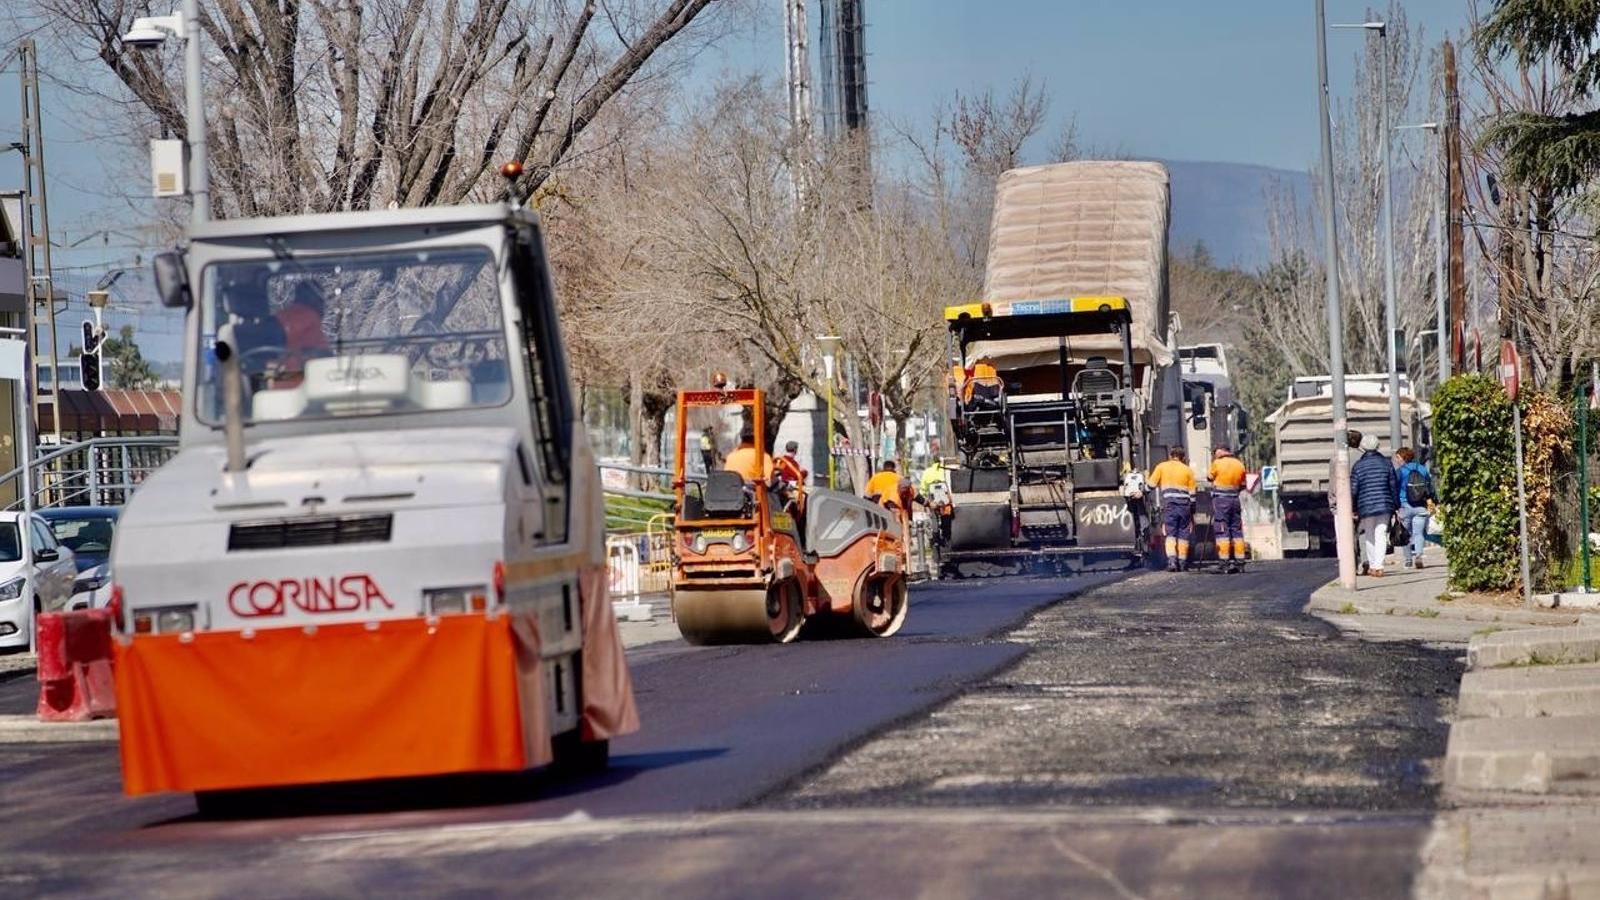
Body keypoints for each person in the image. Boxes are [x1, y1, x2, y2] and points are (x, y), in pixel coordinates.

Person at [1351, 433, 1399, 577]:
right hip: (1384, 504)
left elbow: (1354, 489)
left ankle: (1373, 565)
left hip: (1365, 506)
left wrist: (1353, 508)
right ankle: (1379, 565)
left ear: (1363, 447)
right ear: (1378, 446)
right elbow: (1393, 486)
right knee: (1381, 533)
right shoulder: (1386, 463)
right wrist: (1396, 505)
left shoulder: (1358, 466)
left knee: (1369, 534)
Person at [1148, 446, 1197, 572]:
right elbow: (1192, 494)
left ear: (1170, 455)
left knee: (1170, 534)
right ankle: (1182, 562)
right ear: (1183, 457)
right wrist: (1192, 510)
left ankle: (1172, 562)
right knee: (1183, 535)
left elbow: (1151, 485)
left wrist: (1141, 492)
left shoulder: (1161, 467)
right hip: (1184, 507)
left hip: (1169, 506)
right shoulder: (1188, 471)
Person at [1208, 446, 1249, 574]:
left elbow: (1209, 477)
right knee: (1236, 530)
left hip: (1221, 501)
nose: (1215, 456)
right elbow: (1243, 484)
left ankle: (1224, 562)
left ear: (1220, 451)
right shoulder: (1239, 464)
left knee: (1222, 530)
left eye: (1215, 453)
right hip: (1235, 501)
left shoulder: (1217, 463)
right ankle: (1240, 563)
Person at [276, 281, 330, 375]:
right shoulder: (312, 318)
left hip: (280, 379)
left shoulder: (279, 316)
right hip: (306, 378)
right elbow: (323, 354)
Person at [1395, 446, 1435, 569]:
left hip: (1404, 505)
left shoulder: (1400, 471)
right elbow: (1430, 486)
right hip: (1421, 506)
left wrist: (1395, 505)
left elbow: (1394, 487)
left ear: (1403, 458)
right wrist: (1433, 501)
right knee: (1418, 533)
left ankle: (1408, 560)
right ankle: (1418, 555)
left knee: (1405, 533)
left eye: (1397, 457)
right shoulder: (1422, 469)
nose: (1396, 460)